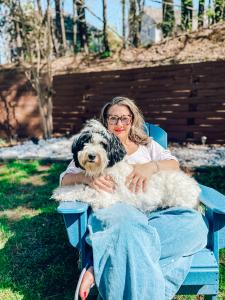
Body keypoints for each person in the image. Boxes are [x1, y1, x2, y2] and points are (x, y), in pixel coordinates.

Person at [60, 96, 208, 300]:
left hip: (157, 210)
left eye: (124, 118)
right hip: (119, 210)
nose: (119, 124)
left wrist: (151, 166)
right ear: (106, 121)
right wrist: (86, 177)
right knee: (128, 228)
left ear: (132, 120)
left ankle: (99, 263)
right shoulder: (94, 144)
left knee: (196, 226)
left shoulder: (148, 145)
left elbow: (173, 165)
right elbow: (65, 179)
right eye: (113, 119)